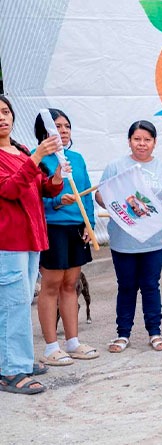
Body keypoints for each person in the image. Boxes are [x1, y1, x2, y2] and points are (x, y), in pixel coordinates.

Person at [95, 121, 162, 353]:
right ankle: (123, 334)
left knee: (151, 285)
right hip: (123, 239)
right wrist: (109, 197)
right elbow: (100, 196)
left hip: (154, 239)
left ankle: (155, 331)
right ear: (129, 141)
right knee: (126, 286)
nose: (142, 144)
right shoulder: (116, 167)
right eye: (137, 139)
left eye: (147, 140)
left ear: (154, 142)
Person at [0, 95, 65, 394]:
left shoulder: (21, 149)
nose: (2, 118)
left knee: (19, 302)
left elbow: (38, 187)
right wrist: (37, 157)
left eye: (5, 111)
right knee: (10, 305)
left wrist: (57, 177)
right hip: (8, 242)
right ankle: (10, 370)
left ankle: (18, 359)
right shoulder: (26, 154)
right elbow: (11, 189)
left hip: (30, 239)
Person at [34, 108, 100, 365]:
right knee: (50, 286)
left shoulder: (77, 158)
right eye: (56, 127)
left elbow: (85, 192)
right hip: (51, 227)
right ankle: (51, 347)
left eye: (66, 126)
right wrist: (56, 202)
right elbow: (33, 199)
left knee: (71, 284)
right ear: (44, 132)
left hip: (76, 226)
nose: (62, 131)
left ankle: (72, 342)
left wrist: (89, 223)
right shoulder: (36, 158)